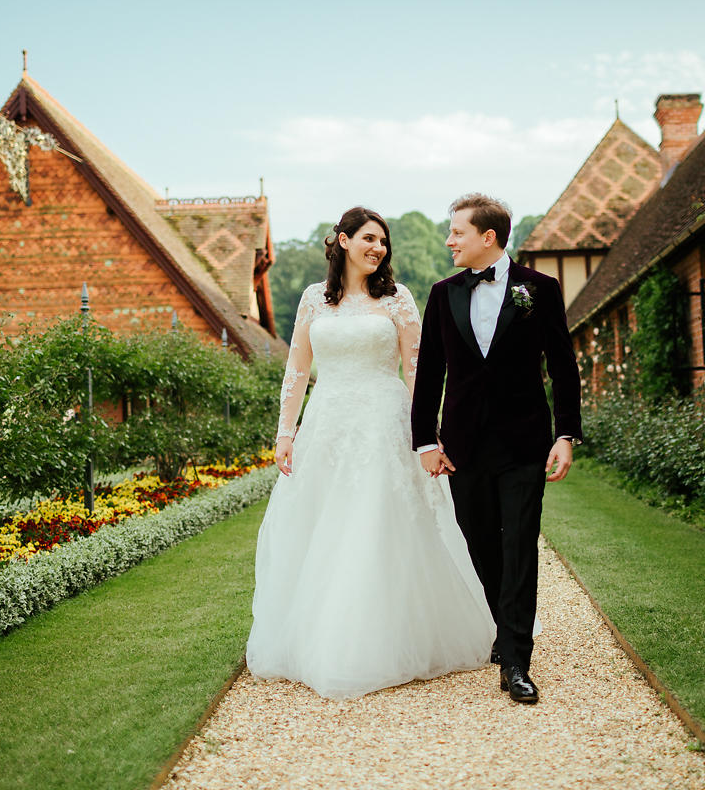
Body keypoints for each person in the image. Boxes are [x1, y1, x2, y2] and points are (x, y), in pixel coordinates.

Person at [246, 207, 495, 700]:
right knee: (327, 523)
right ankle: (325, 635)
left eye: (383, 241)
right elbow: (297, 367)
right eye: (367, 238)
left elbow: (419, 370)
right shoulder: (314, 299)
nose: (377, 248)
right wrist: (285, 433)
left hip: (384, 422)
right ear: (342, 241)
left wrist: (428, 433)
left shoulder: (398, 299)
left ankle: (392, 638)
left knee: (380, 522)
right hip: (329, 423)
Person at [411, 193, 583, 704]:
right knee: (481, 542)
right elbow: (430, 375)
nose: (449, 241)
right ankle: (505, 629)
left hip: (525, 442)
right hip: (463, 445)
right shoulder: (442, 295)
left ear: (488, 237)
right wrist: (424, 440)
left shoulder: (541, 289)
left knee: (519, 545)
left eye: (456, 232)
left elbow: (563, 365)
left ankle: (515, 660)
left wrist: (566, 435)